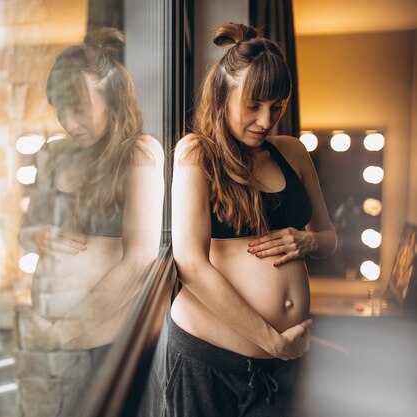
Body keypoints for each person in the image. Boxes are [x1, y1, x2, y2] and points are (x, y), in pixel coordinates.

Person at [164, 22, 337, 416]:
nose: (265, 120)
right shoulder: (197, 153)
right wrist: (271, 340)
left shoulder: (292, 152)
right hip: (209, 362)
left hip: (282, 361)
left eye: (276, 106)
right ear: (222, 96)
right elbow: (190, 263)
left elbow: (329, 238)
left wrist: (307, 241)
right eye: (253, 106)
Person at [16, 27, 164, 417]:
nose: (67, 120)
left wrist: (63, 331)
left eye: (78, 107)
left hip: (104, 343)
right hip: (49, 345)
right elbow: (24, 231)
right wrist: (38, 237)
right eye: (59, 108)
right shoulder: (52, 156)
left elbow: (140, 259)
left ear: (112, 99)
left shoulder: (139, 154)